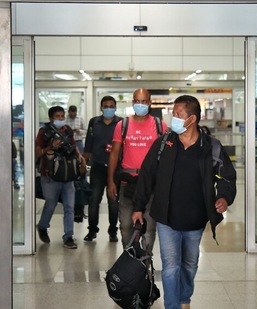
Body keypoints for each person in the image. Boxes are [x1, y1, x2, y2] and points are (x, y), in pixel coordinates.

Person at [132, 95, 237, 309]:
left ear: (192, 119)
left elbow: (227, 176)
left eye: (179, 114)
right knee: (170, 266)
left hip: (195, 218)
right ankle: (172, 306)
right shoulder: (164, 143)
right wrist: (138, 207)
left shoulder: (211, 147)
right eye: (174, 113)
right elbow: (146, 175)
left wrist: (224, 197)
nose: (174, 118)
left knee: (189, 264)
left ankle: (184, 299)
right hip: (166, 216)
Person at [107, 88, 167, 254]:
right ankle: (130, 257)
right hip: (128, 183)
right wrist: (110, 181)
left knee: (149, 227)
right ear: (133, 102)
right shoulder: (122, 125)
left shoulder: (159, 125)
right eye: (137, 101)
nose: (140, 104)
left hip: (151, 185)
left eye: (144, 101)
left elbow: (167, 155)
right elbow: (114, 154)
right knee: (126, 225)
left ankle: (146, 260)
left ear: (150, 103)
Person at [35, 106, 85, 249]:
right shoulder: (44, 132)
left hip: (67, 174)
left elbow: (73, 146)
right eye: (58, 116)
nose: (61, 119)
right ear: (51, 118)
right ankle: (43, 226)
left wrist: (80, 157)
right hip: (49, 175)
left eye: (62, 116)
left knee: (70, 206)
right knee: (51, 204)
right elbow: (38, 153)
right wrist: (51, 146)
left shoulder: (67, 130)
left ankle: (68, 237)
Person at [82, 96, 122, 242]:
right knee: (94, 200)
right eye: (106, 106)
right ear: (101, 107)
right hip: (98, 166)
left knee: (113, 201)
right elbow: (88, 145)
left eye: (111, 106)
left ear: (115, 107)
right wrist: (82, 162)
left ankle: (113, 231)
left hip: (116, 168)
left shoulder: (121, 123)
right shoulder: (94, 122)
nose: (109, 109)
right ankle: (92, 230)